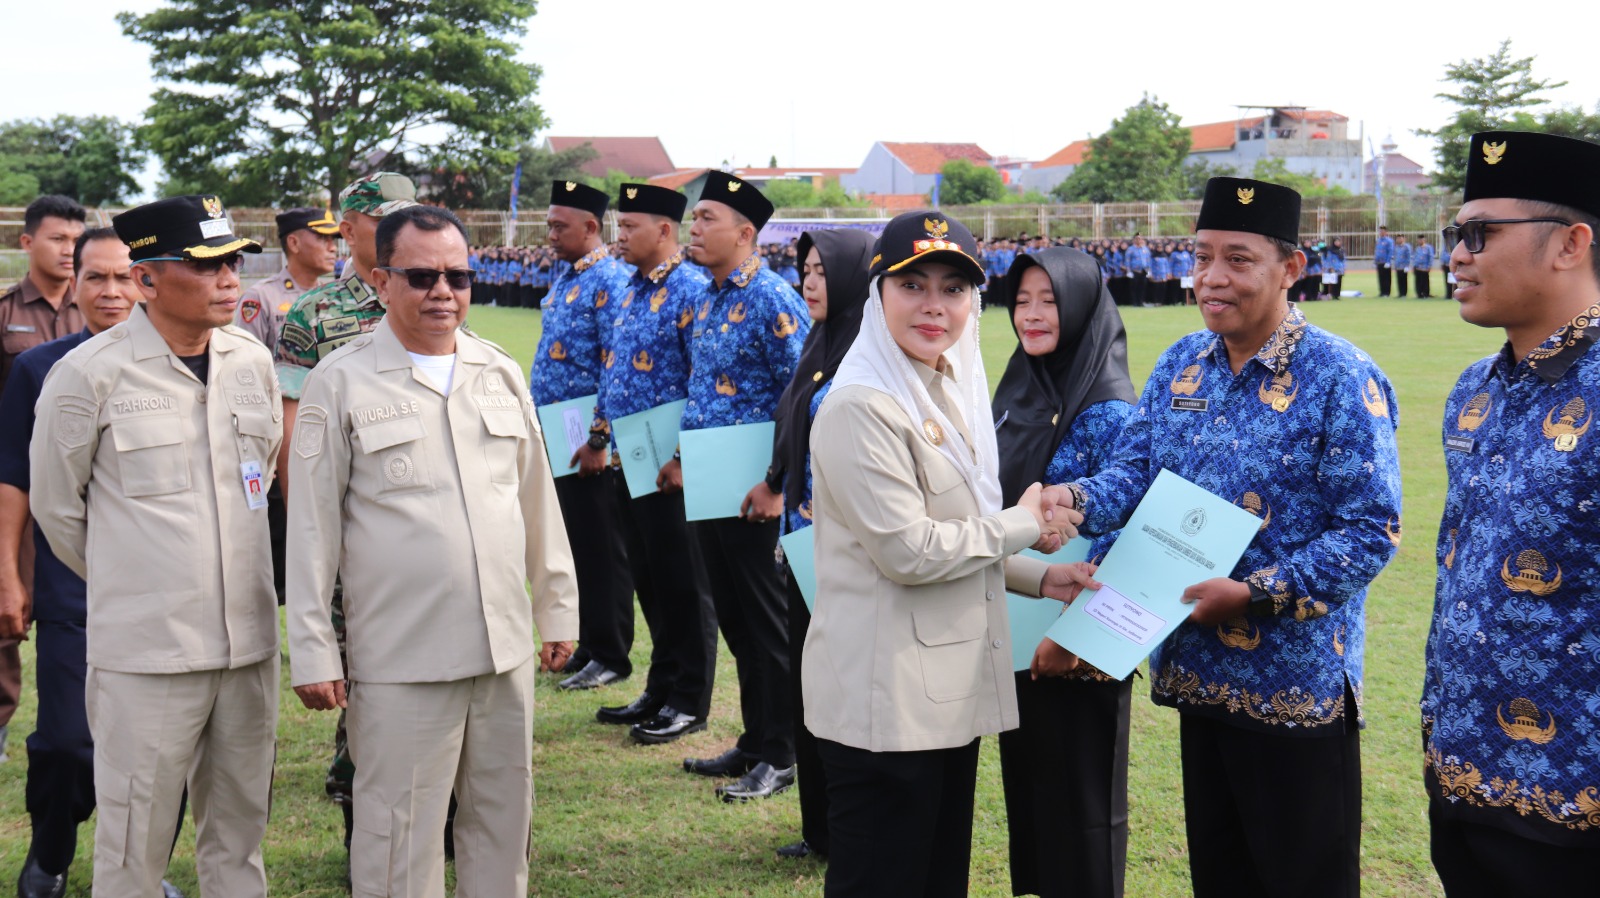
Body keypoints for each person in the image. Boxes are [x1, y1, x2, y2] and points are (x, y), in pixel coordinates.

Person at [1058, 178, 1403, 898]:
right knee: (1223, 877)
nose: (1212, 278)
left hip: (1294, 691)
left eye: (1238, 260)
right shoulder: (1184, 362)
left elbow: (1372, 530)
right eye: (1202, 255)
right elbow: (1133, 475)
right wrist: (1068, 501)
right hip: (1198, 675)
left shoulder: (1340, 376)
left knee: (1302, 881)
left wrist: (1255, 594)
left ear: (1291, 268)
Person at [286, 204, 579, 898]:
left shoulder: (499, 371)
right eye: (421, 276)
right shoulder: (342, 379)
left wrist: (558, 608)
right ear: (383, 281)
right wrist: (314, 648)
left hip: (502, 649)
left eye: (457, 276)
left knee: (503, 822)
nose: (442, 292)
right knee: (397, 835)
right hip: (402, 657)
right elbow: (311, 526)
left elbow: (536, 502)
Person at [802, 210, 1094, 897]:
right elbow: (909, 551)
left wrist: (1040, 577)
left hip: (938, 695)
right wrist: (1022, 525)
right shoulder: (861, 405)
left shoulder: (939, 384)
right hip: (883, 706)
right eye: (915, 285)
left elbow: (952, 534)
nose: (936, 307)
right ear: (878, 294)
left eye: (955, 290)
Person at [30, 195, 282, 898]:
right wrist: (142, 577)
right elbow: (58, 509)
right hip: (147, 656)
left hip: (248, 646)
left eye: (233, 260)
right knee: (132, 852)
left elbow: (258, 478)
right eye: (207, 265)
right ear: (146, 279)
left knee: (239, 841)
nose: (230, 277)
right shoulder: (88, 375)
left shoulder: (249, 360)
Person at [1423, 130, 1600, 897]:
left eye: (1481, 234)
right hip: (1461, 771)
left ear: (1570, 243)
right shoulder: (1475, 387)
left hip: (1575, 801)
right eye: (1455, 235)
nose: (1458, 255)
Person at [0, 229, 191, 898]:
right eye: (96, 278)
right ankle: (50, 851)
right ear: (73, 284)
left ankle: (146, 868)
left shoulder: (184, 363)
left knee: (164, 750)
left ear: (147, 283)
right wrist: (9, 574)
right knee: (66, 741)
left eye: (124, 278)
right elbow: (16, 481)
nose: (111, 292)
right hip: (72, 587)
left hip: (168, 593)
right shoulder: (41, 369)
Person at [273, 171, 418, 851]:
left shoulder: (427, 295)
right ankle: (363, 812)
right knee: (360, 667)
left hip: (419, 518)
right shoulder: (314, 315)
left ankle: (428, 809)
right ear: (352, 227)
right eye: (382, 220)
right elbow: (292, 426)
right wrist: (309, 527)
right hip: (350, 520)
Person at [992, 246, 1137, 898]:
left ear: (1080, 306)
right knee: (1032, 791)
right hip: (1016, 619)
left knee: (1082, 804)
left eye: (1049, 300)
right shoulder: (1020, 384)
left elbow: (1129, 521)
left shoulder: (1108, 407)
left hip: (1077, 634)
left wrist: (1081, 635)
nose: (1032, 314)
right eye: (1022, 300)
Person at [674, 170, 810, 802]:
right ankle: (755, 741)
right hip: (710, 483)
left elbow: (805, 395)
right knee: (731, 615)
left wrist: (779, 482)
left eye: (705, 220)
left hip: (759, 493)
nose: (692, 229)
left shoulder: (773, 299)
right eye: (693, 219)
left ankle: (781, 753)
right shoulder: (707, 296)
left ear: (746, 233)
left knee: (766, 623)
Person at [589, 183, 718, 744]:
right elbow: (614, 368)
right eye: (618, 227)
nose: (620, 236)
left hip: (672, 466)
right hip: (629, 456)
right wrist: (598, 433)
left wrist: (685, 456)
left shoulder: (691, 289)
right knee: (650, 578)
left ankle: (689, 698)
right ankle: (661, 687)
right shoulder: (632, 289)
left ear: (665, 231)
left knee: (685, 585)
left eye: (629, 227)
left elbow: (706, 381)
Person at [769, 227, 875, 860]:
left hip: (841, 554)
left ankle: (843, 830)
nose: (809, 282)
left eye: (821, 271)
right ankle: (819, 830)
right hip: (801, 545)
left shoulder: (864, 355)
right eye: (803, 270)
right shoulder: (818, 343)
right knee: (807, 686)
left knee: (839, 691)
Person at [533, 180, 635, 691]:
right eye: (549, 225)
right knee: (577, 548)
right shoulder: (570, 278)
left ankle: (613, 652)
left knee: (602, 548)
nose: (550, 233)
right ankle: (592, 644)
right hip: (560, 430)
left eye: (559, 225)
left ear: (591, 228)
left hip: (589, 441)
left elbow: (614, 367)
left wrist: (600, 439)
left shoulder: (610, 282)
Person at [0, 194, 87, 761]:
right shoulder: (6, 313)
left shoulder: (104, 310)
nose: (67, 250)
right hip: (14, 478)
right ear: (27, 242)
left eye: (76, 240)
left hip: (73, 487)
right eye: (57, 238)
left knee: (65, 605)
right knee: (6, 605)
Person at [235, 207, 339, 354]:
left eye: (333, 239)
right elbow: (246, 360)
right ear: (294, 243)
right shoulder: (262, 297)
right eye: (322, 238)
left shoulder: (333, 296)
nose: (333, 247)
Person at [1374, 225, 1394, 297]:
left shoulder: (1389, 241)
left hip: (1385, 262)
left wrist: (1388, 262)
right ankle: (1382, 292)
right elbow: (1377, 251)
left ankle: (1387, 293)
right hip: (1379, 262)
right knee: (1381, 278)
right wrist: (1375, 261)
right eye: (1380, 231)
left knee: (1386, 278)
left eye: (1382, 231)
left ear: (1386, 232)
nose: (1381, 232)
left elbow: (1390, 251)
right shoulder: (1378, 240)